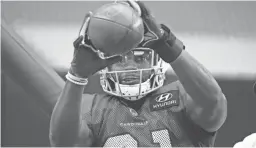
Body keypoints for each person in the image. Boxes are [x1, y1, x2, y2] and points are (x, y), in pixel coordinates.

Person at [49, 1, 227, 147]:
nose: (131, 66)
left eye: (140, 58)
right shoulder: (91, 107)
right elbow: (63, 144)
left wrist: (168, 44)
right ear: (106, 64)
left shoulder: (180, 96)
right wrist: (76, 75)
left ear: (156, 58)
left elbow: (215, 105)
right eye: (121, 60)